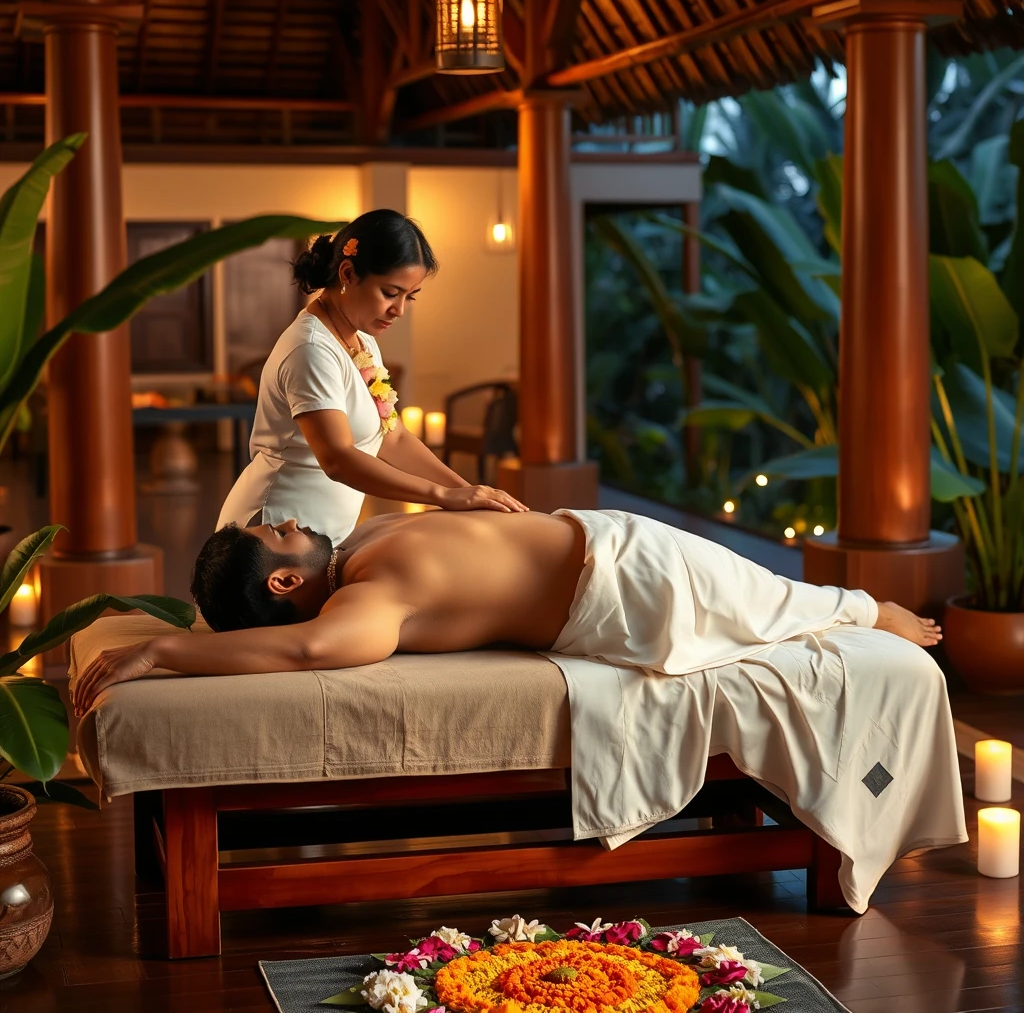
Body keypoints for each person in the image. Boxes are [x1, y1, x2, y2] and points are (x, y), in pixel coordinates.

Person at [73, 508, 941, 713]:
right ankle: (876, 614)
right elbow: (307, 656)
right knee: (784, 605)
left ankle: (863, 612)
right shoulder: (371, 601)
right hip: (631, 586)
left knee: (775, 598)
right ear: (285, 584)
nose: (296, 522)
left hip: (610, 540)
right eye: (281, 532)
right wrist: (163, 656)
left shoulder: (359, 549)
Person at [217, 208, 526, 548]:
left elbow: (393, 437)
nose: (400, 310)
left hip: (321, 532)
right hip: (275, 531)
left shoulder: (361, 341)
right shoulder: (311, 349)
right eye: (391, 293)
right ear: (348, 273)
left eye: (410, 296)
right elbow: (338, 458)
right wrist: (442, 495)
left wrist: (465, 491)